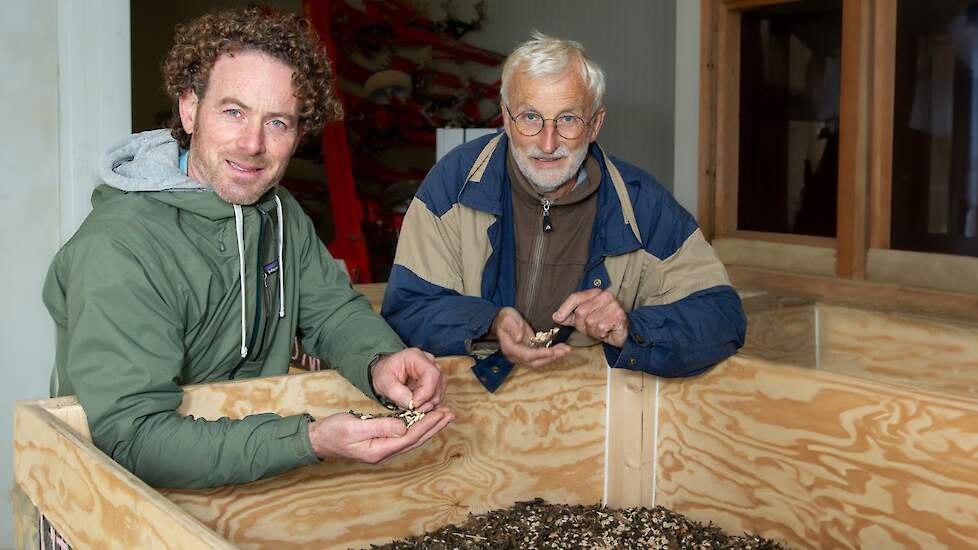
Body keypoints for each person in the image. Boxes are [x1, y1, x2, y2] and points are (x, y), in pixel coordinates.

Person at [42, 8, 453, 489]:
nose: (253, 144)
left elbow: (330, 310)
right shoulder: (119, 246)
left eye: (277, 122)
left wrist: (381, 360)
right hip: (116, 497)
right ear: (190, 109)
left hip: (249, 478)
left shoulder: (280, 211)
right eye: (233, 112)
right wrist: (311, 440)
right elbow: (132, 438)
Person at [382, 32, 746, 392]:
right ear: (507, 120)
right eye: (530, 117)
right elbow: (407, 309)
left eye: (568, 119)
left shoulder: (642, 204)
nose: (548, 143)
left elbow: (721, 317)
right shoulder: (455, 184)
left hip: (587, 417)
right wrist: (489, 323)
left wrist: (630, 328)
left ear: (595, 124)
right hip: (468, 418)